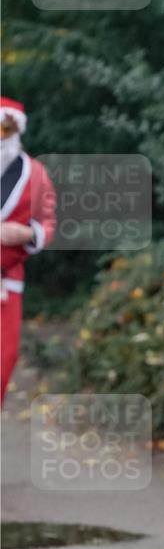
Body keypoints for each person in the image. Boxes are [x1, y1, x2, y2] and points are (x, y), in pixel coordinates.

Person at [1, 97, 56, 404]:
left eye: (4, 130)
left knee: (4, 359)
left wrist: (27, 233)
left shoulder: (35, 174)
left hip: (7, 280)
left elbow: (48, 224)